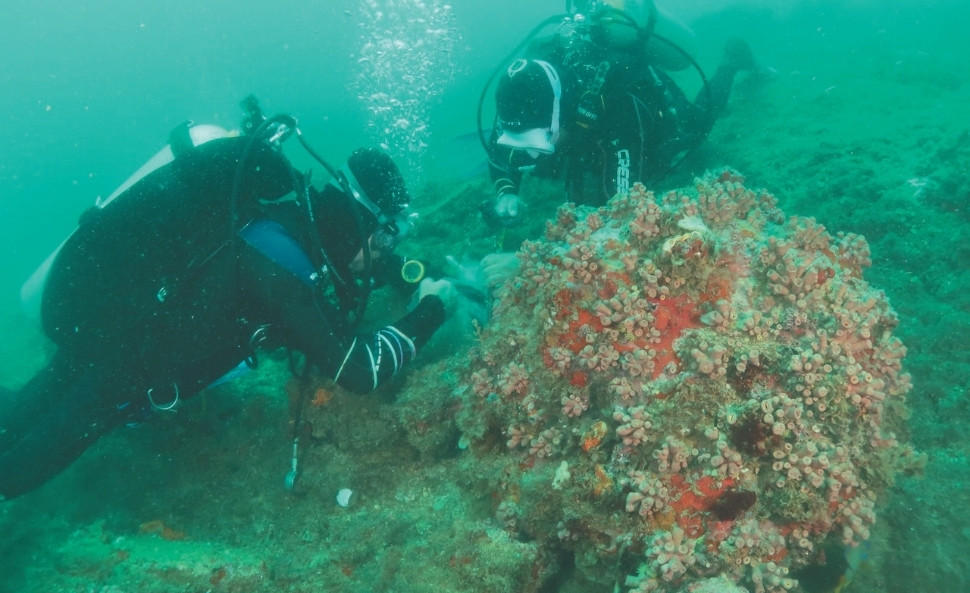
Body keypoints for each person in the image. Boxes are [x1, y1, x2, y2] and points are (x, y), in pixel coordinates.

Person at [0, 99, 457, 501]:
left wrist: (408, 273)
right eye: (382, 240)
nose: (382, 255)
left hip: (108, 335)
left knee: (18, 412)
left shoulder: (287, 223)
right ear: (355, 219)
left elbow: (356, 263)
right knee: (13, 473)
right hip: (117, 378)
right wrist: (434, 308)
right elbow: (360, 369)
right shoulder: (282, 270)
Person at [482, 0, 759, 226]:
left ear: (562, 116)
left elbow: (621, 206)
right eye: (521, 140)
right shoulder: (522, 101)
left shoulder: (615, 107)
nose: (531, 155)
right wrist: (506, 193)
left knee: (698, 123)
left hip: (648, 108)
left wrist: (539, 257)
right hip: (583, 126)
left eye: (539, 140)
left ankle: (731, 62)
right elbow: (500, 152)